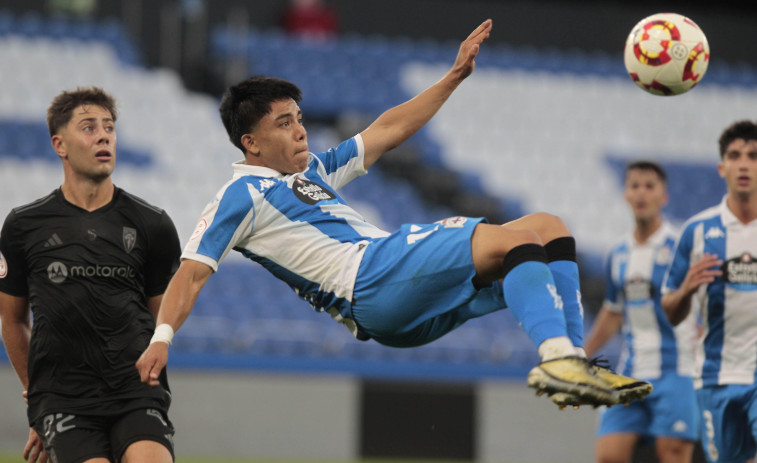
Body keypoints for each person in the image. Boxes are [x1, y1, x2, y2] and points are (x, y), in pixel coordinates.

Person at [136, 19, 650, 409]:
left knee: (548, 229)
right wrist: (162, 340)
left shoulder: (310, 173)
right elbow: (192, 273)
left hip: (399, 303)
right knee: (512, 241)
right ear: (250, 142)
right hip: (371, 281)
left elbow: (384, 131)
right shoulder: (239, 195)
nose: (300, 130)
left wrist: (452, 79)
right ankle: (558, 360)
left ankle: (573, 365)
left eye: (299, 119)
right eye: (285, 123)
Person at [0, 87, 181, 463]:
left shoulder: (153, 224)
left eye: (109, 128)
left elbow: (162, 314)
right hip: (64, 398)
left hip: (136, 391)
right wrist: (37, 398)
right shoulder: (22, 226)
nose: (103, 135)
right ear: (59, 144)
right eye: (88, 127)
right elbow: (13, 320)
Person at [582, 161, 699, 463]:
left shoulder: (680, 248)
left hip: (677, 369)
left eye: (650, 186)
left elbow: (707, 301)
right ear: (625, 194)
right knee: (608, 454)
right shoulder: (619, 254)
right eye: (635, 185)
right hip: (632, 369)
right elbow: (613, 313)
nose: (641, 192)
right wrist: (582, 353)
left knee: (672, 455)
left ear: (664, 196)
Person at [662, 120, 757, 463]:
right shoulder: (697, 231)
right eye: (735, 155)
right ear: (722, 167)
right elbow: (670, 310)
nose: (744, 163)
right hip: (717, 377)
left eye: (753, 155)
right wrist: (687, 287)